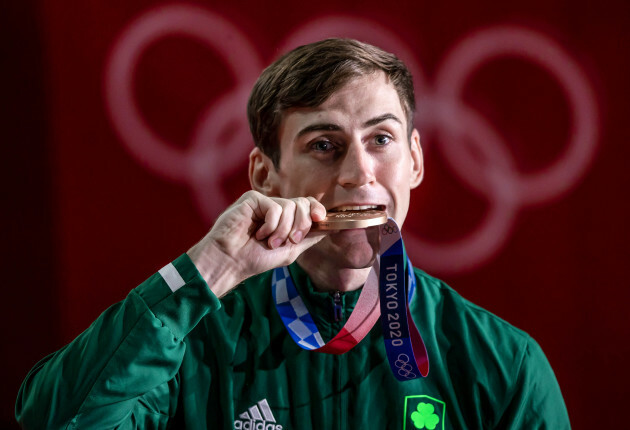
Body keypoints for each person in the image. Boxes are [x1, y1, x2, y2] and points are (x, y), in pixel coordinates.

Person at [15, 38, 570, 429]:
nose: (359, 173)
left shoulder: (500, 362)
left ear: (416, 161)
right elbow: (57, 419)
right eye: (323, 145)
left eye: (381, 140)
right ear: (264, 174)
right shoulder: (194, 347)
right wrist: (209, 270)